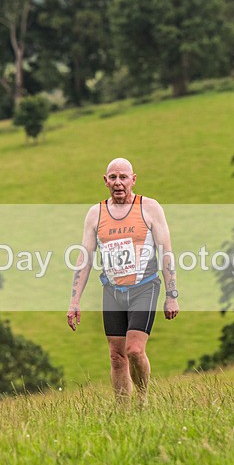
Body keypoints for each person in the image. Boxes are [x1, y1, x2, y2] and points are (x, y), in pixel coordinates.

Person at [67, 157, 179, 403]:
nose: (118, 183)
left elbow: (166, 252)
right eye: (113, 178)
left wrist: (172, 295)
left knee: (135, 350)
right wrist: (74, 301)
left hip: (144, 287)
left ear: (133, 180)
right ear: (105, 181)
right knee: (117, 356)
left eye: (123, 177)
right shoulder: (95, 213)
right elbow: (84, 257)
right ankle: (123, 413)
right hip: (113, 291)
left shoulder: (149, 208)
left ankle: (142, 400)